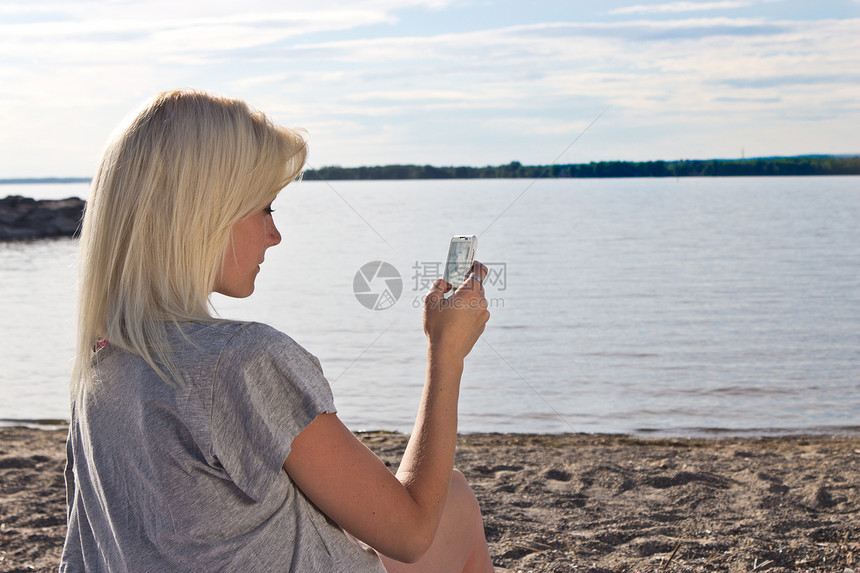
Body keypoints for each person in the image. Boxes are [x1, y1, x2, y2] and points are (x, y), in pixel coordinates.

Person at [60, 89, 494, 572]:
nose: (275, 233)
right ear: (204, 213)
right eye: (265, 207)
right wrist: (446, 353)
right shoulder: (242, 361)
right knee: (451, 499)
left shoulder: (101, 366)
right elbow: (411, 533)